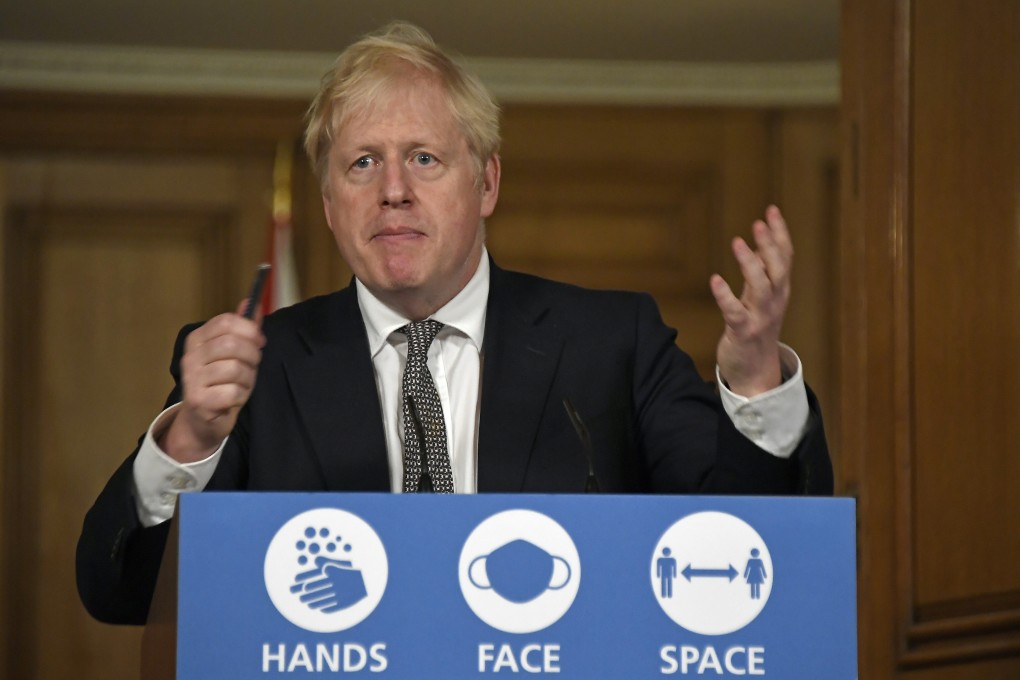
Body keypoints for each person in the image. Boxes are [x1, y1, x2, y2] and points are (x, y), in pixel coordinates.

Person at [76, 21, 832, 625]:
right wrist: (190, 442)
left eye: (424, 158)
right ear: (330, 204)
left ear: (487, 182)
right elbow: (121, 594)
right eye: (362, 163)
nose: (393, 190)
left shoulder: (613, 343)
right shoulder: (257, 371)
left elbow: (750, 551)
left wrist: (754, 380)